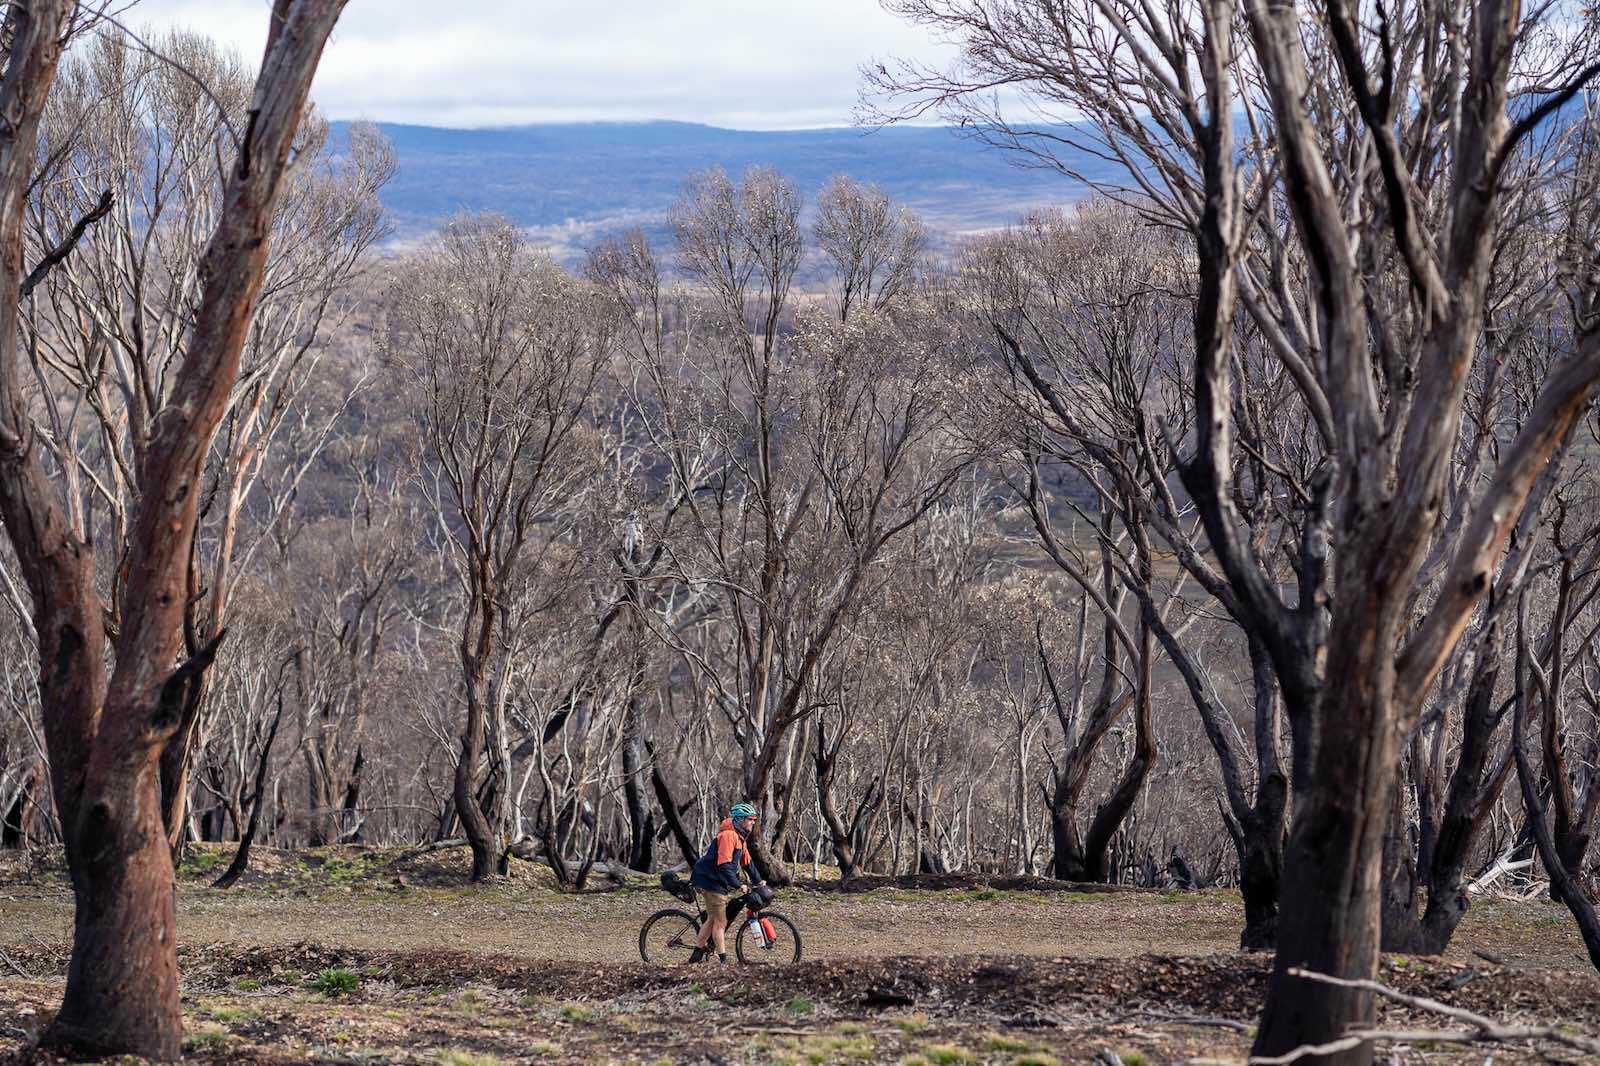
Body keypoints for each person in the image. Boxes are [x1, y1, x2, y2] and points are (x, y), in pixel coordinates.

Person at [687, 801, 765, 963]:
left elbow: (747, 863)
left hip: (717, 880)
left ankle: (696, 955)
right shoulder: (728, 836)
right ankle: (724, 961)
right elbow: (724, 865)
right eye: (750, 819)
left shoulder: (740, 837)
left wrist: (759, 881)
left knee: (712, 918)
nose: (753, 822)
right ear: (741, 820)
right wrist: (738, 884)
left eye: (754, 819)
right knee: (720, 921)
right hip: (709, 879)